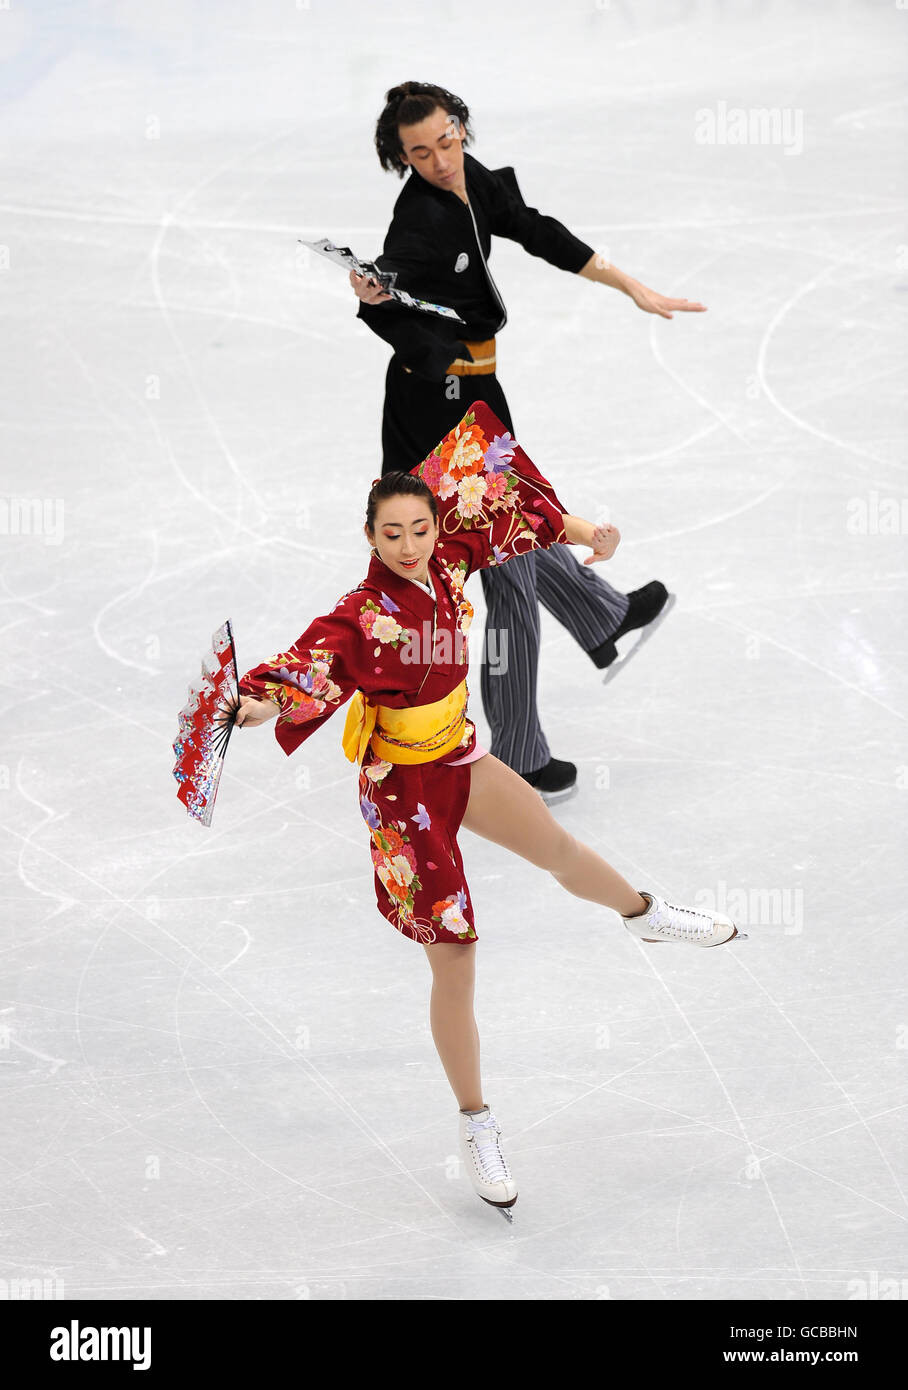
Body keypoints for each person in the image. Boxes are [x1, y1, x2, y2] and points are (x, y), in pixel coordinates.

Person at [234, 401, 741, 1223]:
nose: (408, 544)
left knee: (556, 845)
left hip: (461, 754)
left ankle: (644, 915)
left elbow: (508, 507)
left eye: (417, 529)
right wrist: (256, 705)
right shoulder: (360, 617)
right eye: (391, 533)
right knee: (458, 955)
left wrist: (585, 532)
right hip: (404, 792)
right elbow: (306, 664)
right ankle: (477, 1123)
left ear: (436, 527)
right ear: (369, 538)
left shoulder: (448, 562)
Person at [350, 81, 701, 802]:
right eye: (421, 153)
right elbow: (394, 297)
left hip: (479, 401)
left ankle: (596, 627)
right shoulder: (417, 222)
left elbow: (535, 228)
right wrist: (375, 299)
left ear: (461, 129)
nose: (442, 160)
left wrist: (628, 284)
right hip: (437, 414)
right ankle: (525, 748)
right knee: (509, 564)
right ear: (401, 158)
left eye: (448, 140)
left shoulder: (470, 179)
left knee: (513, 552)